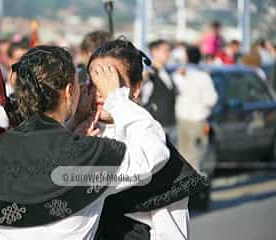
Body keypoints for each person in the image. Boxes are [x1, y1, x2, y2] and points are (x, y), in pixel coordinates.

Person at [0, 45, 170, 240]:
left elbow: (42, 157)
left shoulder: (2, 148)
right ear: (68, 92)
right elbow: (154, 153)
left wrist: (73, 126)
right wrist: (117, 98)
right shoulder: (87, 155)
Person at [80, 39, 208, 240]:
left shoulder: (149, 135)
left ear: (136, 88)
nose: (101, 92)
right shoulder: (82, 131)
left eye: (111, 83)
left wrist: (117, 100)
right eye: (95, 81)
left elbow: (170, 231)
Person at [173, 46, 218, 172]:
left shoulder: (179, 75)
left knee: (182, 152)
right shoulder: (204, 76)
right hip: (198, 119)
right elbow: (212, 100)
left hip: (180, 118)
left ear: (186, 57)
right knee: (197, 155)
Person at [142, 40, 177, 139]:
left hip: (169, 124)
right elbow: (144, 99)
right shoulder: (149, 73)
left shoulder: (166, 72)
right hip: (156, 126)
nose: (169, 54)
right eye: (165, 51)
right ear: (154, 52)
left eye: (169, 51)